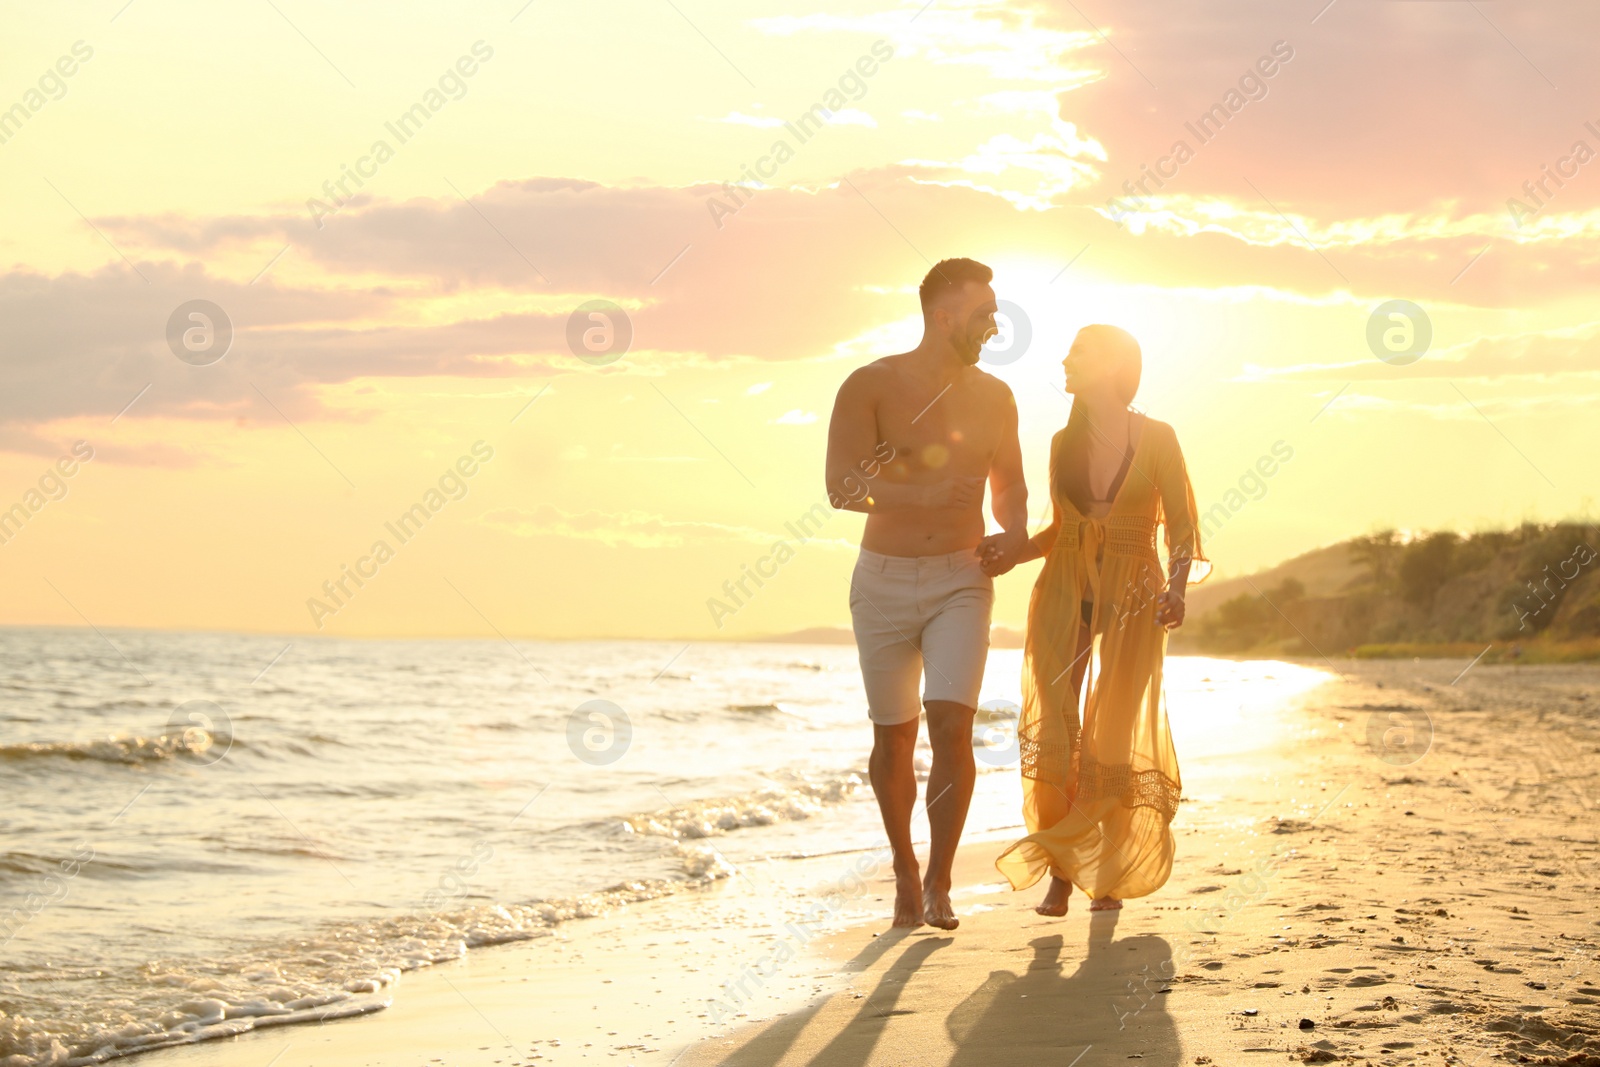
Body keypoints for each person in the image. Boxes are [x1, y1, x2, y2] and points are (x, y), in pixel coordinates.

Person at [825, 257, 1029, 929]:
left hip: (960, 580)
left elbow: (1010, 485)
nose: (994, 324)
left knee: (951, 725)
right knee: (894, 736)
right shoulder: (871, 385)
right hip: (882, 580)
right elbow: (842, 486)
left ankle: (941, 880)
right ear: (944, 316)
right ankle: (904, 869)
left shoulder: (996, 397)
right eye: (982, 314)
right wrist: (922, 491)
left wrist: (1015, 529)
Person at [981, 324, 1208, 915]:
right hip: (1067, 585)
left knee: (1110, 732)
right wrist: (1013, 553)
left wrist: (1178, 589)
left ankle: (1102, 869)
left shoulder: (1157, 437)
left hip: (1136, 589)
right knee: (1059, 725)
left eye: (1077, 352)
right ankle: (1061, 871)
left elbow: (1181, 527)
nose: (1064, 360)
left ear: (1111, 365)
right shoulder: (1062, 442)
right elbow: (1060, 530)